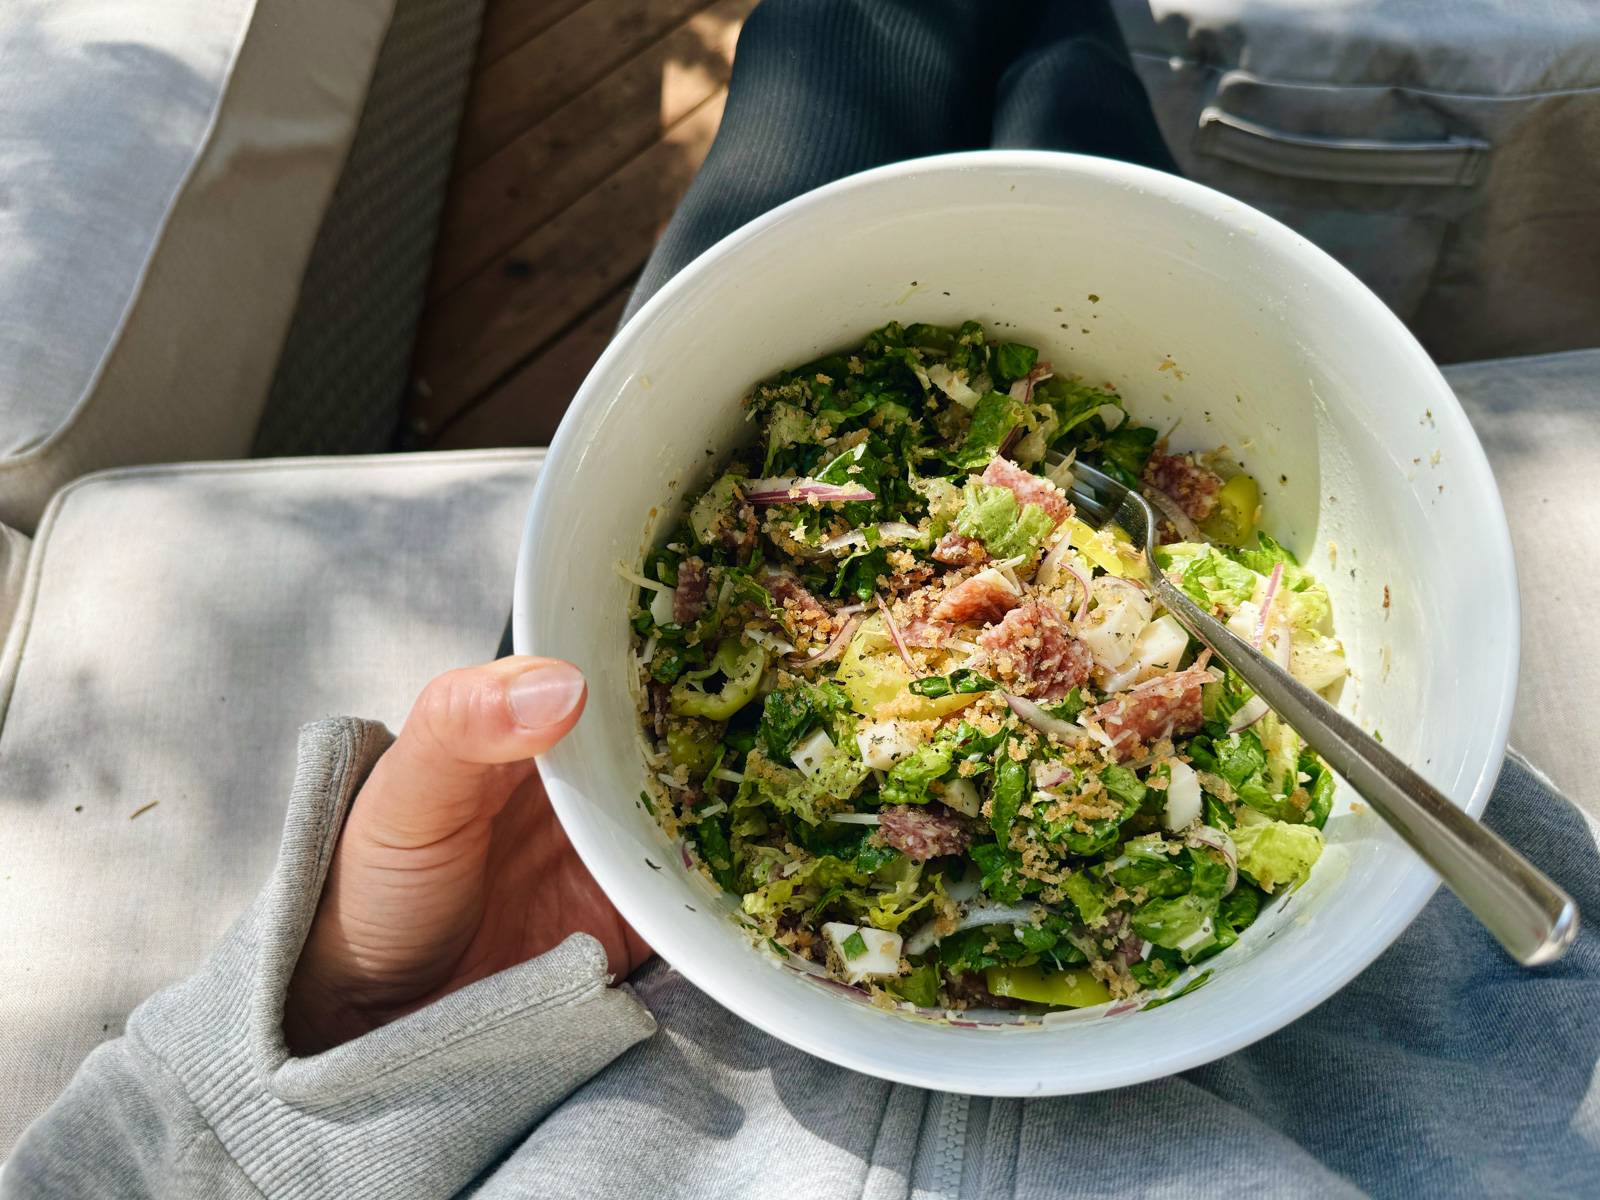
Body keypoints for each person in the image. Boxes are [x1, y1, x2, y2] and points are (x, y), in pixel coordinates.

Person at [6, 2, 1599, 1197]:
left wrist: (363, 1012)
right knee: (1066, 105)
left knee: (825, 89)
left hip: (566, 957)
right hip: (1264, 1046)